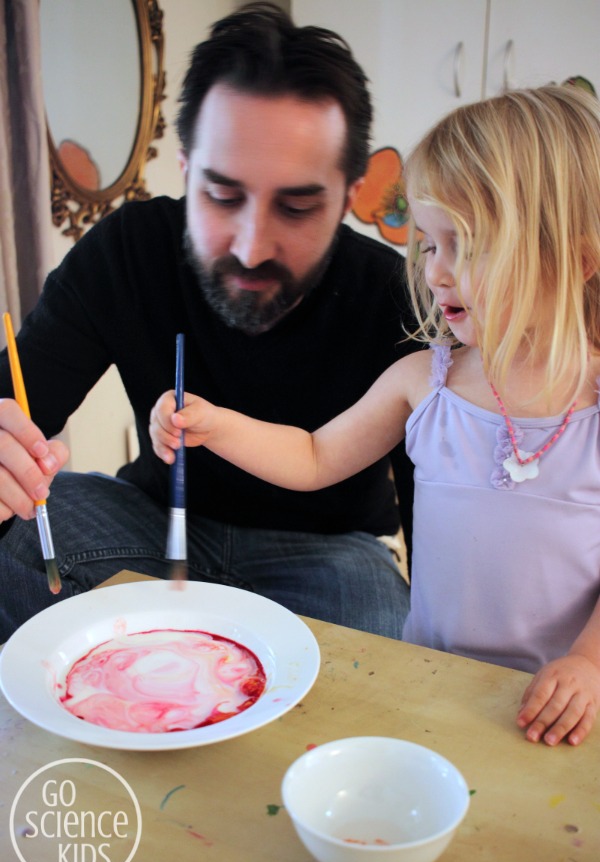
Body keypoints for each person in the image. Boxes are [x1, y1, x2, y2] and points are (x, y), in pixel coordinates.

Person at [151, 84, 600, 747]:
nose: (437, 273)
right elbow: (314, 457)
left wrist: (589, 664)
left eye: (465, 247)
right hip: (431, 682)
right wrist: (218, 426)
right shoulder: (425, 383)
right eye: (428, 244)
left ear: (574, 260)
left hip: (563, 709)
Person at [0, 2, 417, 642]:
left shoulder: (398, 294)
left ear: (352, 191)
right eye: (223, 197)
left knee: (380, 658)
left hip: (330, 553)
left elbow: (439, 503)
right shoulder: (128, 251)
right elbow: (21, 404)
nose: (252, 248)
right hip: (148, 520)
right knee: (26, 545)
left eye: (298, 206)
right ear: (186, 170)